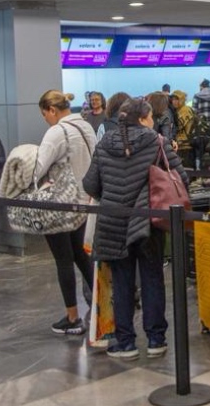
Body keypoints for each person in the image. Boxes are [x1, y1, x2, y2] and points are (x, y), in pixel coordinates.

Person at [82, 97, 184, 359]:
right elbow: (180, 177)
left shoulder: (105, 143)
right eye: (150, 117)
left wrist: (114, 193)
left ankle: (125, 341)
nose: (152, 122)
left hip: (114, 221)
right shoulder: (156, 141)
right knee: (152, 279)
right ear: (142, 119)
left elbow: (90, 185)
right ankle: (155, 340)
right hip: (148, 222)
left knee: (122, 282)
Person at [37, 90, 98, 336]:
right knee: (81, 257)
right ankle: (103, 305)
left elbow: (37, 169)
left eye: (44, 115)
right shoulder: (86, 126)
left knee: (63, 260)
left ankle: (72, 318)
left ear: (52, 110)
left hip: (61, 204)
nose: (46, 120)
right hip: (86, 202)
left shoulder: (56, 132)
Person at [170, 90, 195, 165]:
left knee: (186, 169)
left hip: (185, 144)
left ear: (182, 99)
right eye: (173, 99)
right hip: (181, 144)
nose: (174, 101)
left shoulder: (185, 110)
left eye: (177, 99)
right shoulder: (178, 110)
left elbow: (179, 125)